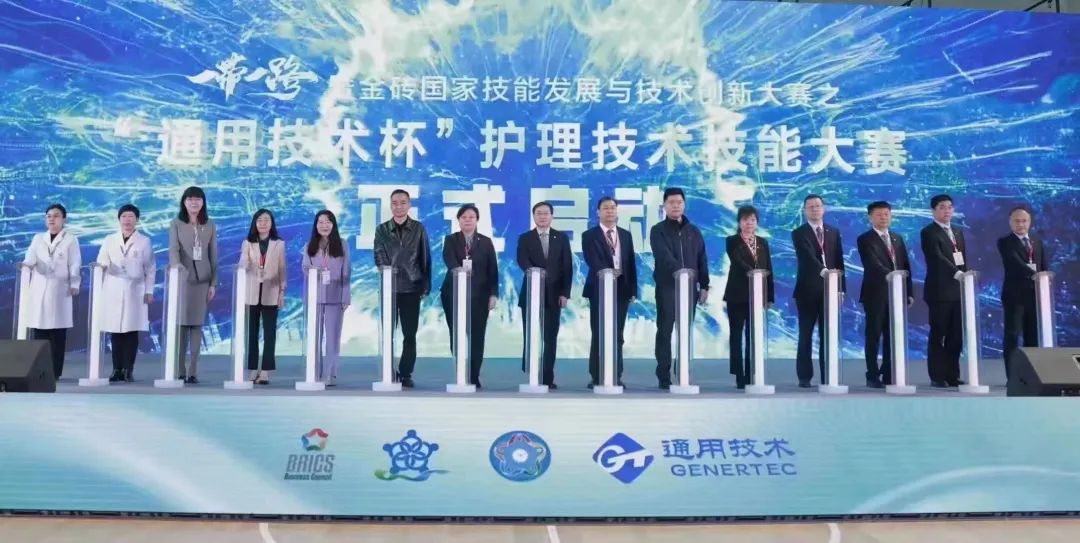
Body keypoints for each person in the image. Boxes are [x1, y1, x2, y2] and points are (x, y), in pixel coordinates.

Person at [649, 187, 709, 390]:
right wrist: (681, 271)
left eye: (679, 202)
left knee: (685, 331)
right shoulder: (658, 230)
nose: (676, 206)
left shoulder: (694, 231)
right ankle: (663, 375)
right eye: (671, 203)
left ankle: (683, 371)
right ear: (664, 206)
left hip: (690, 289)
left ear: (684, 205)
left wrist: (704, 285)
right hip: (668, 287)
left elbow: (702, 259)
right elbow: (663, 256)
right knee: (665, 331)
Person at [373, 189, 431, 389]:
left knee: (409, 334)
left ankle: (406, 373)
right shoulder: (382, 229)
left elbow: (425, 258)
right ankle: (388, 371)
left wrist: (425, 285)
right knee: (387, 333)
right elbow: (378, 255)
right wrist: (388, 273)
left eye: (403, 202)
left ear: (409, 205)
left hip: (411, 288)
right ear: (390, 205)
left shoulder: (418, 229)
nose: (399, 206)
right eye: (395, 203)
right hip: (389, 288)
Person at [440, 204, 499, 389]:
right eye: (464, 217)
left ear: (477, 220)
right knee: (456, 334)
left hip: (479, 296)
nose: (467, 220)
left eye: (471, 217)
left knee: (477, 336)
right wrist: (460, 271)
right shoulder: (451, 240)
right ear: (458, 220)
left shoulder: (486, 242)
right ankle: (460, 372)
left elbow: (493, 270)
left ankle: (473, 375)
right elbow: (449, 259)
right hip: (453, 294)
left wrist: (493, 294)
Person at [582, 197, 638, 389]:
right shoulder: (589, 235)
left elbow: (630, 263)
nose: (610, 211)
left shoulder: (626, 235)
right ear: (598, 212)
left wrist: (632, 289)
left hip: (622, 290)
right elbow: (592, 260)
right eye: (605, 208)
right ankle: (597, 375)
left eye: (613, 208)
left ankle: (616, 373)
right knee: (599, 332)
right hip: (599, 289)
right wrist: (608, 274)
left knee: (618, 334)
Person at [856, 201, 913, 389]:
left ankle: (889, 373)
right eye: (879, 214)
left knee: (892, 335)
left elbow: (905, 265)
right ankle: (872, 375)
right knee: (874, 335)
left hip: (897, 294)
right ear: (870, 217)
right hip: (875, 293)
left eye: (887, 214)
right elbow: (872, 263)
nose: (884, 217)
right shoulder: (865, 239)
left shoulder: (897, 238)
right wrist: (890, 275)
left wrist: (908, 291)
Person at [516, 201, 573, 389]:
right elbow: (522, 260)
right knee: (531, 334)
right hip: (531, 293)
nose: (542, 216)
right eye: (538, 213)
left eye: (546, 213)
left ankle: (548, 375)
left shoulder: (561, 238)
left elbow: (567, 267)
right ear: (534, 216)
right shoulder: (525, 238)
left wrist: (565, 293)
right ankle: (531, 371)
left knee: (550, 337)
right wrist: (534, 273)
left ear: (552, 216)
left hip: (554, 295)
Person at [791, 194, 846, 388]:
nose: (815, 209)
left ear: (824, 209)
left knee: (827, 335)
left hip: (829, 291)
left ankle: (827, 376)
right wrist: (824, 272)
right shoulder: (799, 233)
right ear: (805, 210)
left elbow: (839, 260)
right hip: (807, 291)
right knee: (805, 335)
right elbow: (807, 257)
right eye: (811, 206)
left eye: (818, 206)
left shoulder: (833, 232)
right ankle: (804, 377)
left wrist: (840, 288)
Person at [21, 203, 81, 380]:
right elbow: (30, 257)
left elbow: (75, 263)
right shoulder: (38, 238)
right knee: (39, 332)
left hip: (60, 290)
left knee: (57, 334)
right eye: (49, 216)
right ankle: (39, 371)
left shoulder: (70, 239)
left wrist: (75, 283)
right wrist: (25, 266)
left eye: (56, 216)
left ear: (63, 219)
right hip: (39, 289)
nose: (52, 219)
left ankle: (55, 372)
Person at [97, 204, 155, 383]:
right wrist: (105, 267)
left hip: (134, 290)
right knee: (115, 331)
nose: (127, 220)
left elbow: (150, 268)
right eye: (124, 216)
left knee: (131, 330)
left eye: (131, 216)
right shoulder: (109, 240)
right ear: (119, 219)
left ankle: (128, 369)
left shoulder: (144, 241)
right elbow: (101, 261)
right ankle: (116, 370)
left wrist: (149, 290)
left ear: (136, 220)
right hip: (113, 289)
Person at [168, 186, 218, 384]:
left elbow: (213, 255)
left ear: (203, 202)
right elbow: (173, 249)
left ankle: (193, 371)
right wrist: (177, 267)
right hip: (183, 280)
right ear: (184, 202)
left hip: (203, 281)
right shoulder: (176, 223)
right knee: (181, 326)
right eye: (190, 199)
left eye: (198, 199)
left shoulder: (210, 224)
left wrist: (213, 283)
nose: (194, 202)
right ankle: (179, 369)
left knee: (197, 326)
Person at [723, 205, 774, 390]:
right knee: (736, 335)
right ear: (739, 222)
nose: (749, 223)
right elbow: (738, 261)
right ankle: (739, 374)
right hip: (737, 295)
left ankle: (752, 371)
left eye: (752, 220)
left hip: (757, 296)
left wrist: (769, 296)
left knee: (752, 336)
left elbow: (769, 268)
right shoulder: (732, 241)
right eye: (745, 220)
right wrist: (755, 273)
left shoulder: (763, 242)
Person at [920, 194, 968, 388]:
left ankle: (952, 374)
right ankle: (937, 375)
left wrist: (965, 277)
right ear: (933, 210)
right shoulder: (928, 232)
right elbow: (936, 257)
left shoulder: (957, 231)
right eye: (942, 207)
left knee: (956, 336)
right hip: (939, 291)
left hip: (958, 290)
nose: (947, 210)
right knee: (939, 334)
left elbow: (962, 259)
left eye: (949, 207)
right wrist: (956, 273)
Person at [997, 206, 1048, 381]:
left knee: (1032, 337)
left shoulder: (1036, 240)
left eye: (1024, 221)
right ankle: (1012, 377)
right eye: (1017, 221)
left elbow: (1043, 264)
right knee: (1012, 336)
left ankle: (1030, 376)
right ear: (1010, 222)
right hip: (1015, 296)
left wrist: (1044, 278)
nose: (1021, 224)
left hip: (1035, 296)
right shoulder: (1005, 242)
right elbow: (1015, 263)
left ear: (1030, 222)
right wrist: (1035, 274)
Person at [302, 210, 351, 387]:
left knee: (332, 337)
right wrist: (317, 272)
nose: (324, 225)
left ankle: (330, 374)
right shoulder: (309, 245)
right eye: (320, 222)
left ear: (333, 225)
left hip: (335, 296)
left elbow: (347, 272)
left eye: (328, 222)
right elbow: (305, 268)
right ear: (316, 225)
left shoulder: (342, 244)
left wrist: (345, 297)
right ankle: (314, 372)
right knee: (314, 337)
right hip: (314, 297)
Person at [239, 209, 286, 385]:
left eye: (267, 220)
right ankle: (252, 368)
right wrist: (243, 265)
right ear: (255, 223)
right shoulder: (247, 243)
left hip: (271, 291)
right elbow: (243, 260)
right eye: (260, 220)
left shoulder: (279, 244)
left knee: (269, 333)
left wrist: (282, 290)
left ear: (271, 223)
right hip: (251, 292)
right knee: (251, 334)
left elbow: (282, 268)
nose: (263, 223)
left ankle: (265, 370)